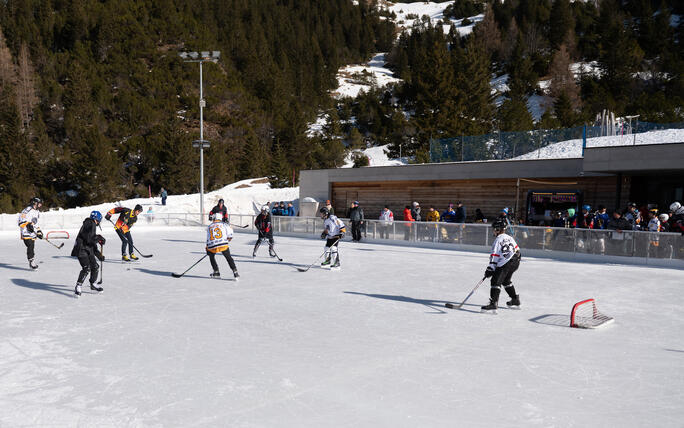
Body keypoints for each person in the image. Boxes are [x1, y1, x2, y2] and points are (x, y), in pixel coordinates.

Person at [481, 219, 521, 311]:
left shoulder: (498, 240)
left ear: (498, 229)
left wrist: (490, 269)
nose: (493, 231)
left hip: (507, 262)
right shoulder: (509, 237)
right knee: (506, 280)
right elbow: (517, 249)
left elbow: (494, 256)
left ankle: (493, 304)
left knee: (495, 281)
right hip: (516, 260)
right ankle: (515, 299)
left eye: (494, 229)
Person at [71, 211, 106, 296]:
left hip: (87, 250)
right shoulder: (89, 223)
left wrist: (98, 254)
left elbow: (91, 242)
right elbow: (89, 239)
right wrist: (98, 238)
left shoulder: (91, 224)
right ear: (97, 219)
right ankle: (78, 286)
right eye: (99, 221)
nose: (98, 223)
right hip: (81, 249)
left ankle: (93, 284)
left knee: (95, 266)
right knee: (87, 268)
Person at [206, 212, 239, 279]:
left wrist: (207, 248)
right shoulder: (224, 224)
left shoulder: (209, 226)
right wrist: (227, 240)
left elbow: (208, 238)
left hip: (213, 245)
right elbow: (230, 234)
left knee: (211, 256)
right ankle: (235, 271)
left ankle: (216, 271)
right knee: (228, 257)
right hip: (223, 244)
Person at [17, 197, 43, 269]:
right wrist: (27, 225)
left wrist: (39, 231)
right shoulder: (27, 210)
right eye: (39, 203)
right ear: (35, 203)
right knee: (30, 245)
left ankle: (31, 260)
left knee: (32, 246)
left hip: (33, 233)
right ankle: (31, 261)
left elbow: (36, 223)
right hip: (26, 232)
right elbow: (20, 221)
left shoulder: (37, 212)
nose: (40, 205)